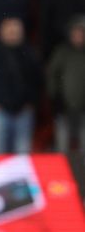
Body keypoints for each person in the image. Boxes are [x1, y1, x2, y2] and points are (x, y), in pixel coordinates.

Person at [0, 17, 41, 154]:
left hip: (23, 112)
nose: (13, 34)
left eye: (16, 32)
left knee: (22, 158)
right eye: (10, 31)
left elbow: (38, 82)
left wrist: (32, 103)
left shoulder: (30, 54)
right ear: (1, 33)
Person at [46, 16, 85, 152]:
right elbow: (52, 76)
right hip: (64, 107)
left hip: (83, 107)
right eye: (76, 32)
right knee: (62, 147)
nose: (78, 36)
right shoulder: (62, 52)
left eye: (81, 33)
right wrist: (56, 98)